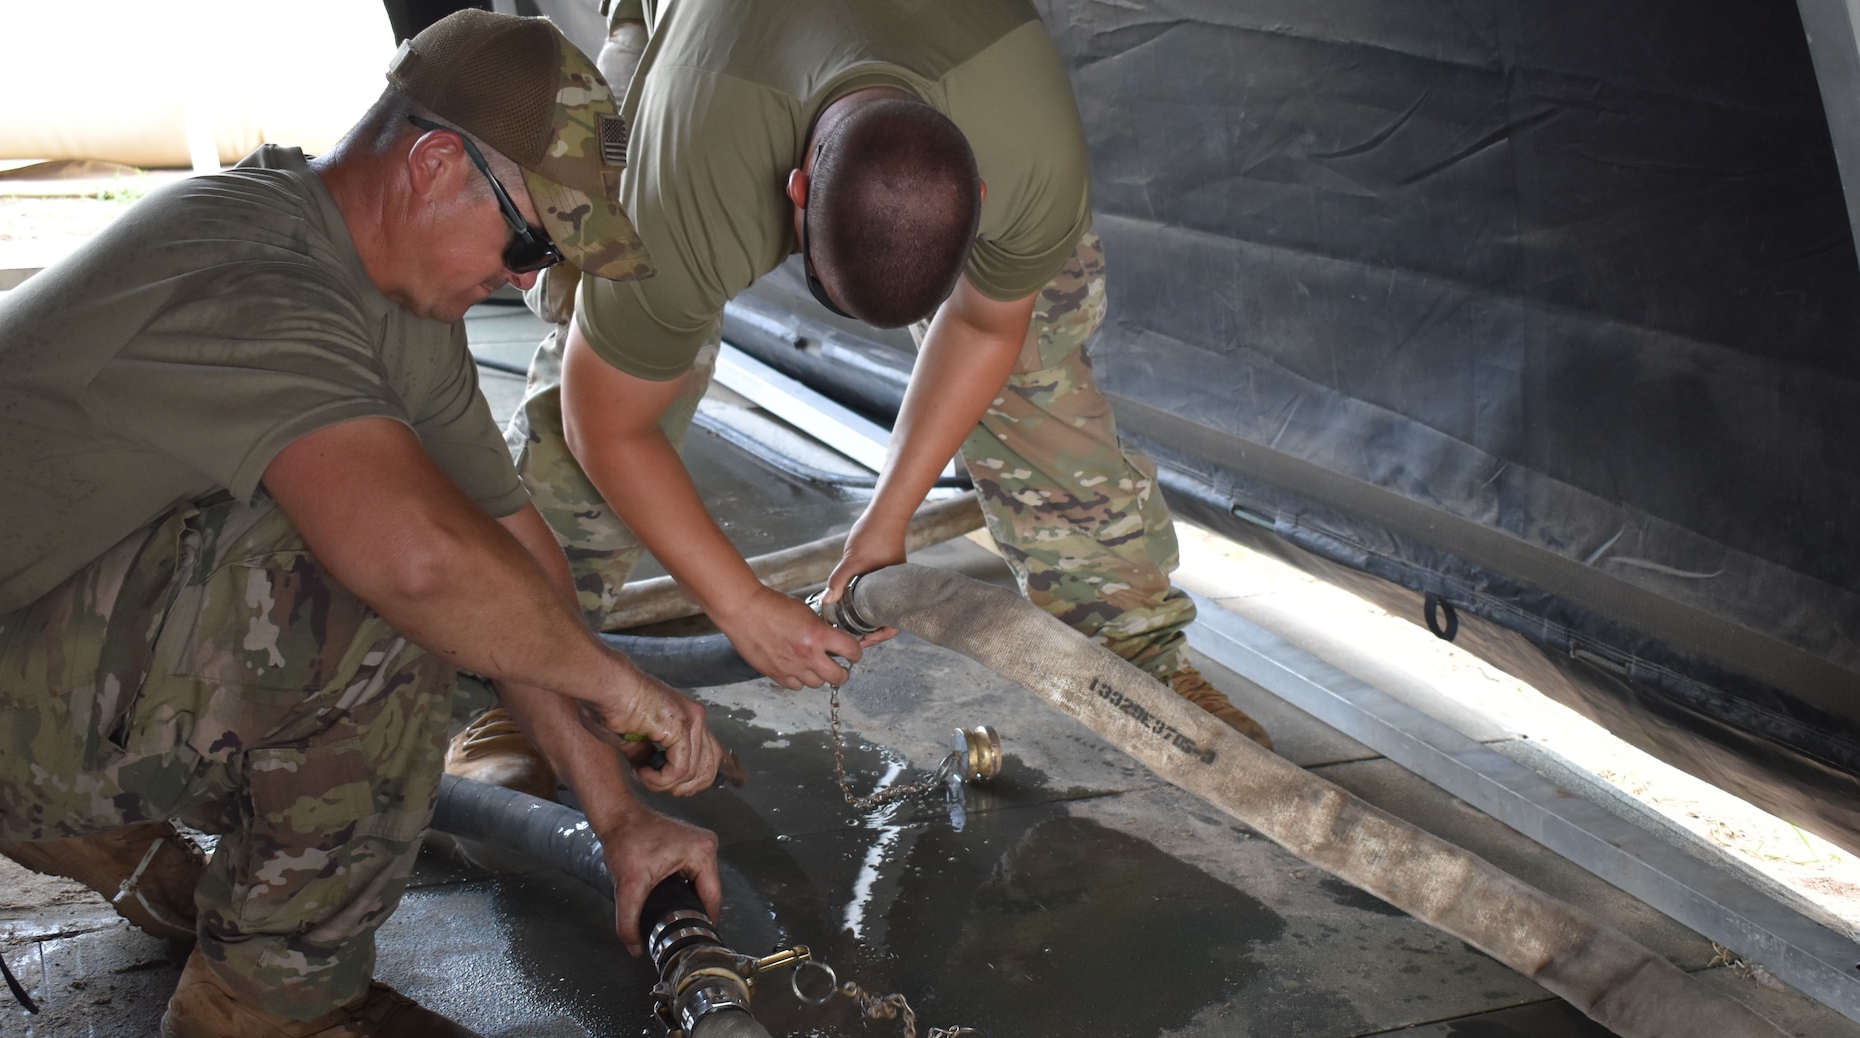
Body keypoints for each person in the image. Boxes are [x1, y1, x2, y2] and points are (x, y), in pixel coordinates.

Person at [0, 11, 727, 1038]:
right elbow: (420, 568)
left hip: (18, 638)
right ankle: (268, 1004)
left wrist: (620, 818)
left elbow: (517, 567)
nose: (523, 280)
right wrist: (618, 685)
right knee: (362, 596)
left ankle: (85, 808)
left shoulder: (382, 296)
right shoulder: (253, 280)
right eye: (529, 243)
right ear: (436, 163)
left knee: (460, 586)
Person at [492, 0, 1274, 750]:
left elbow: (983, 323)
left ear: (980, 198)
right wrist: (741, 606)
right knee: (614, 361)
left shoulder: (1031, 141)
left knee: (1037, 352)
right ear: (792, 195)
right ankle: (520, 676)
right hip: (712, 48)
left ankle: (1138, 662)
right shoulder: (690, 172)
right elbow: (604, 420)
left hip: (943, 55)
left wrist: (885, 521)